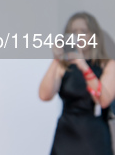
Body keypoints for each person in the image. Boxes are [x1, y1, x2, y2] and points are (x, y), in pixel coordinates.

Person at [39, 12, 115, 154]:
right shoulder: (64, 66)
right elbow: (44, 95)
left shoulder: (107, 65)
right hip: (66, 136)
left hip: (94, 138)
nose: (78, 36)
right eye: (74, 32)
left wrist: (83, 66)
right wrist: (56, 59)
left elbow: (103, 100)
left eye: (84, 31)